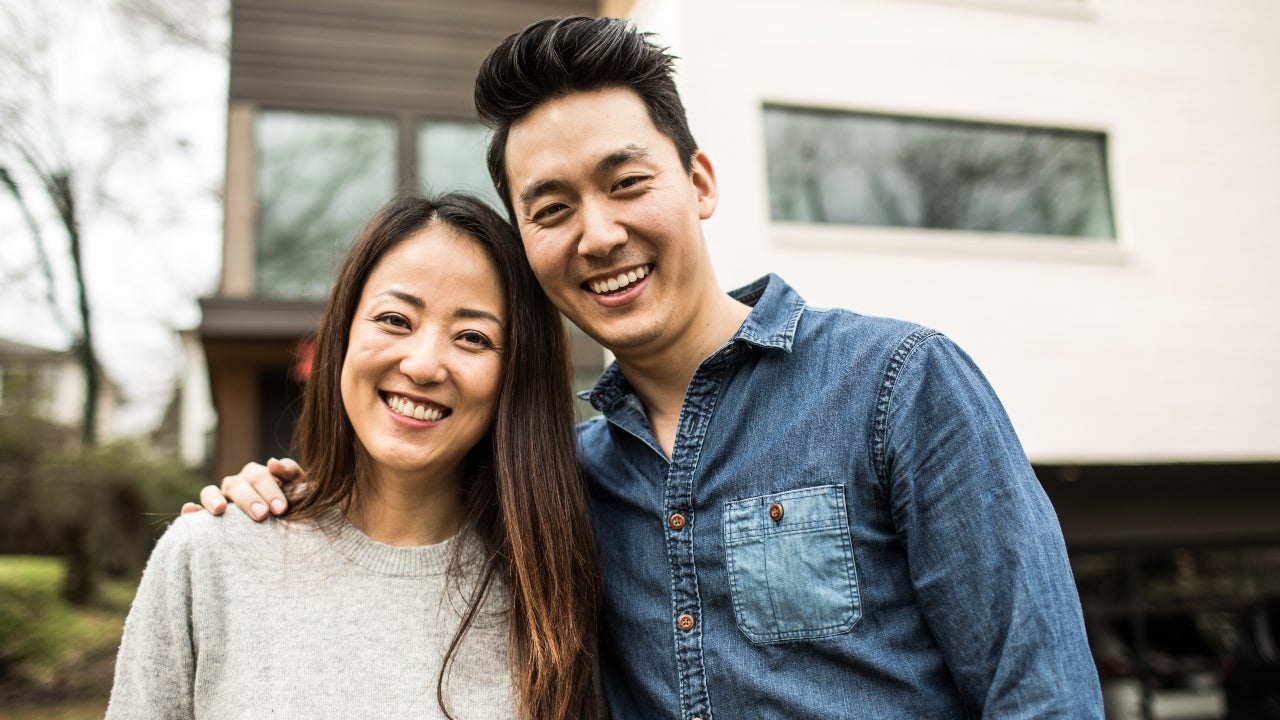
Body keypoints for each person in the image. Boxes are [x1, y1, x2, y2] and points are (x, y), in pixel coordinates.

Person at [200, 16, 1104, 718]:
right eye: (552, 208)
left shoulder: (898, 384)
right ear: (528, 244)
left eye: (626, 183)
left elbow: (1042, 694)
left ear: (699, 182)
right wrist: (279, 494)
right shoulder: (559, 486)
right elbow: (401, 519)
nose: (598, 234)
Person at [112, 193, 601, 719]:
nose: (422, 365)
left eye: (472, 337)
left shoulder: (556, 588)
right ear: (343, 334)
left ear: (515, 376)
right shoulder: (207, 558)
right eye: (394, 319)